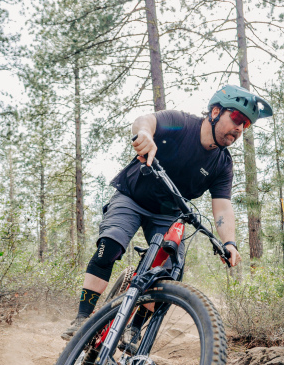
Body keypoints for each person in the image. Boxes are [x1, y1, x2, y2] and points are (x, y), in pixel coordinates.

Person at [61, 84, 273, 341]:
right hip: (132, 197)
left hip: (169, 214)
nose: (240, 129)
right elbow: (145, 121)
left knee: (167, 271)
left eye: (246, 125)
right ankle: (83, 318)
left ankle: (134, 329)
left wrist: (229, 242)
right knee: (110, 246)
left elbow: (223, 206)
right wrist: (145, 136)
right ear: (216, 111)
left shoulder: (222, 164)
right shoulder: (182, 124)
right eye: (237, 118)